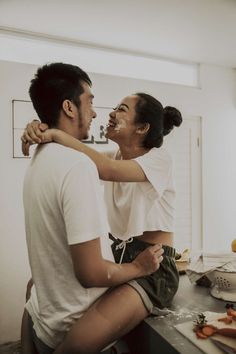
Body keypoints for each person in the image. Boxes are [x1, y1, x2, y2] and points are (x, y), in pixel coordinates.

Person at [21, 62, 164, 354]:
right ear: (69, 108)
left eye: (122, 109)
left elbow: (106, 168)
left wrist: (52, 132)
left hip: (153, 261)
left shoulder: (41, 159)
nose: (102, 113)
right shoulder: (79, 164)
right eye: (92, 102)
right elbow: (91, 272)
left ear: (143, 127)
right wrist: (137, 267)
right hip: (77, 311)